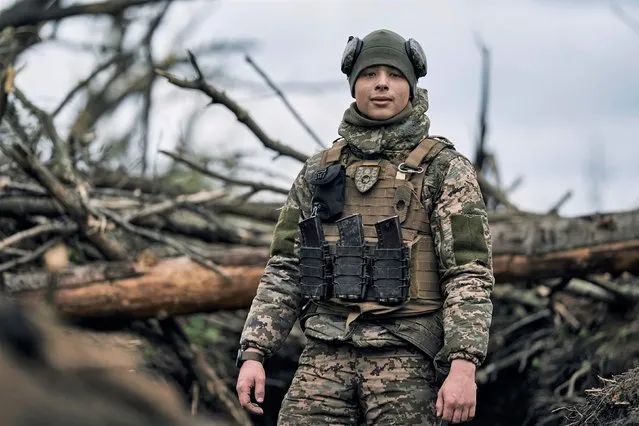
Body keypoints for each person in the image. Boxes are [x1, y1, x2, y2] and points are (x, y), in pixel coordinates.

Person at [235, 28, 494, 425]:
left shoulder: (445, 169)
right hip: (324, 353)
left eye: (394, 75)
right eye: (370, 74)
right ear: (354, 83)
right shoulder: (321, 170)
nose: (382, 85)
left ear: (412, 84)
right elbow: (284, 268)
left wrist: (464, 365)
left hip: (406, 355)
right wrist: (255, 353)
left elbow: (468, 274)